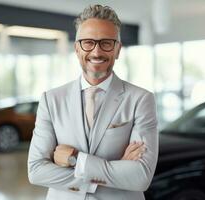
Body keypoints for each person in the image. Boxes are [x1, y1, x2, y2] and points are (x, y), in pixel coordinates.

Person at [28, 4, 158, 200]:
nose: (96, 52)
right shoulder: (51, 99)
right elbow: (36, 171)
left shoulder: (141, 99)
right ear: (77, 48)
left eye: (106, 43)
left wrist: (76, 160)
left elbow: (140, 176)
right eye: (88, 43)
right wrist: (114, 173)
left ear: (118, 49)